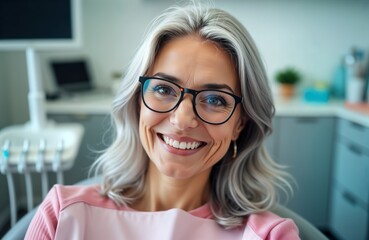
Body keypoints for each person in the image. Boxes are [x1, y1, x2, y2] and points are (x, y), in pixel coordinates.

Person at [26, 2, 299, 239]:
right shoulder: (63, 215)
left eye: (215, 99)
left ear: (240, 124)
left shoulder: (269, 235)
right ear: (136, 102)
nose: (182, 120)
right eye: (164, 89)